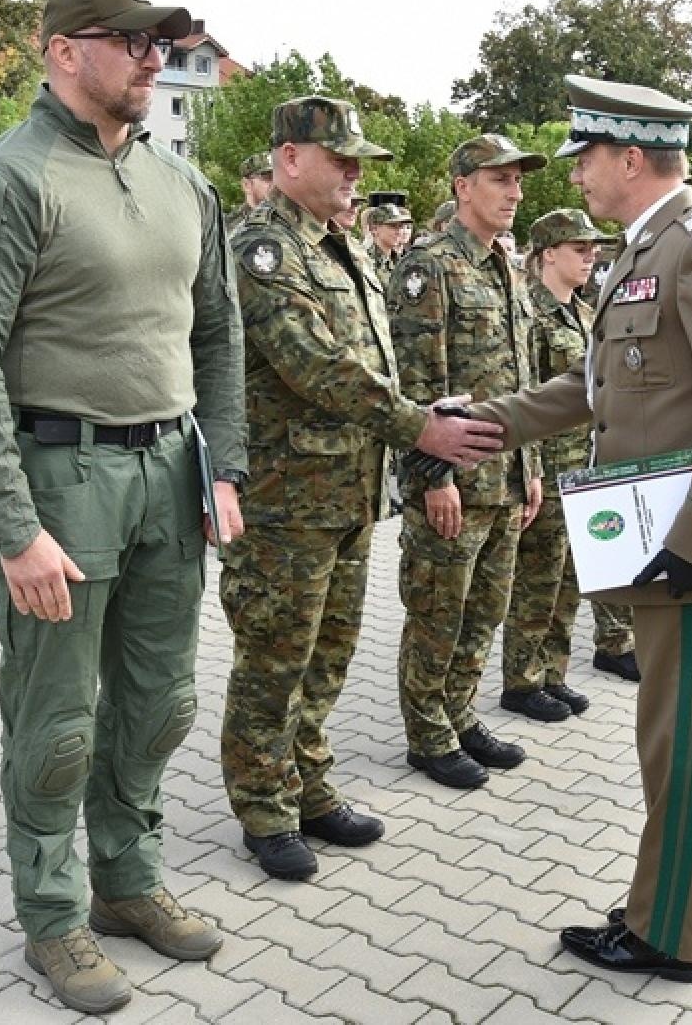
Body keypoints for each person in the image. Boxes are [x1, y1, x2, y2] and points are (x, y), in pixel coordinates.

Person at [0, 0, 246, 1014]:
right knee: (56, 721)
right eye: (132, 41)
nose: (154, 59)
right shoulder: (3, 178)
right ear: (62, 50)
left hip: (169, 475)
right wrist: (13, 528)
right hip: (63, 480)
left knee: (158, 706)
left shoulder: (181, 187)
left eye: (163, 44)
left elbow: (217, 336)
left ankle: (130, 884)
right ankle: (53, 916)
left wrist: (224, 466)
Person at [468, 75, 692, 981]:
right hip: (669, 535)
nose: (577, 177)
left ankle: (665, 936)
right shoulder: (648, 249)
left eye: (588, 159)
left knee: (681, 744)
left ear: (633, 158)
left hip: (688, 543)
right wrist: (495, 419)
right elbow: (602, 388)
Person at [220, 96, 503, 881]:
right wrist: (421, 429)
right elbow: (316, 366)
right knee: (273, 661)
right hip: (286, 500)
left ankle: (308, 786)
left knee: (328, 657)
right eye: (339, 159)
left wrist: (422, 432)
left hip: (348, 493)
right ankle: (264, 806)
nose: (354, 174)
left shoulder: (348, 251)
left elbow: (383, 366)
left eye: (358, 162)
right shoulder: (263, 251)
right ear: (288, 160)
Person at [388, 133, 545, 790]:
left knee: (485, 611)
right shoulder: (430, 266)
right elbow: (416, 383)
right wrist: (433, 479)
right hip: (454, 483)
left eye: (516, 180)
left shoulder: (503, 265)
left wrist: (531, 467)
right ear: (461, 186)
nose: (513, 191)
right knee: (438, 612)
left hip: (505, 478)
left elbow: (523, 376)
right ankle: (428, 735)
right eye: (498, 179)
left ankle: (460, 713)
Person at [497, 208, 610, 722]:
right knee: (538, 577)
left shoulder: (585, 313)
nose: (592, 257)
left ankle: (552, 672)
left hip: (584, 466)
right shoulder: (531, 315)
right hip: (549, 466)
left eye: (594, 249)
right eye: (579, 249)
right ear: (548, 255)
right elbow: (527, 398)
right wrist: (533, 470)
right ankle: (521, 681)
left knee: (569, 577)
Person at [225, 151, 272, 234]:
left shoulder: (290, 220)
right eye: (268, 178)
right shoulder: (227, 227)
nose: (275, 184)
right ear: (246, 185)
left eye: (277, 178)